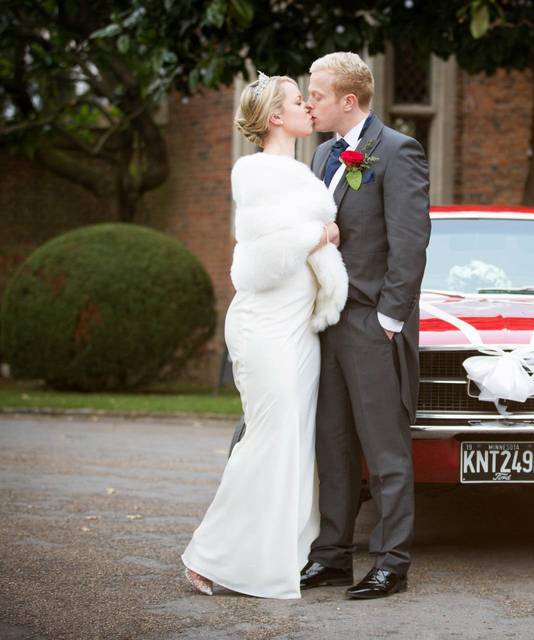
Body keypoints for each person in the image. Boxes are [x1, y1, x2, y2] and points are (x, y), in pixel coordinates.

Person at [181, 73, 347, 599]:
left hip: (300, 327)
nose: (308, 107)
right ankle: (208, 555)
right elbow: (260, 262)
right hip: (264, 325)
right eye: (300, 101)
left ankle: (282, 555)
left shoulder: (304, 171)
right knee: (268, 438)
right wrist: (318, 234)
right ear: (277, 117)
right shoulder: (252, 171)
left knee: (297, 443)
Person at [299, 52, 430, 600]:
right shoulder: (324, 153)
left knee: (384, 449)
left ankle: (391, 561)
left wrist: (388, 318)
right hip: (324, 321)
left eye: (318, 95)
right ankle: (331, 555)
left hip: (370, 322)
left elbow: (411, 242)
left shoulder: (399, 152)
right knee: (330, 443)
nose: (309, 103)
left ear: (348, 101)